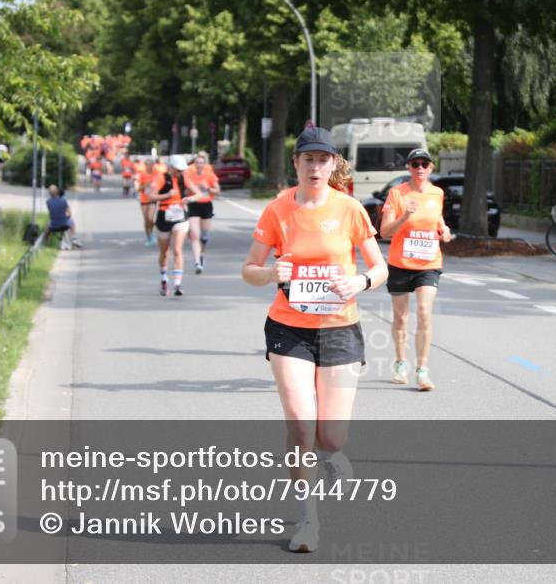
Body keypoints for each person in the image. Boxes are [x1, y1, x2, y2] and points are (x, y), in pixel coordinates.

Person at [241, 127, 387, 553]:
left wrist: (359, 280)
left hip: (340, 329)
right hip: (288, 329)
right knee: (301, 426)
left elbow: (380, 268)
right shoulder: (277, 210)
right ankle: (308, 521)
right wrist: (270, 274)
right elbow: (249, 268)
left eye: (324, 160)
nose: (315, 166)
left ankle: (333, 456)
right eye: (308, 159)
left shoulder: (350, 209)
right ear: (297, 163)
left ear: (333, 165)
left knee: (330, 437)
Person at [379, 148, 452, 391]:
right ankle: (401, 362)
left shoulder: (437, 193)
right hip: (400, 263)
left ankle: (422, 370)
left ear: (431, 168)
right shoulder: (397, 194)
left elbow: (437, 218)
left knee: (423, 312)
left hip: (428, 264)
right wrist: (404, 216)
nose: (419, 168)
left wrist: (445, 230)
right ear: (408, 168)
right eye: (414, 164)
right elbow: (384, 232)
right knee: (401, 317)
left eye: (424, 164)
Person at [150, 155, 192, 296]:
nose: (181, 173)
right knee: (164, 252)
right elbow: (151, 196)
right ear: (172, 168)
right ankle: (163, 278)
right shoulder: (161, 178)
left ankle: (177, 284)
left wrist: (189, 198)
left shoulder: (183, 178)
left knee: (178, 249)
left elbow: (198, 192)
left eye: (182, 170)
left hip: (179, 215)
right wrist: (167, 195)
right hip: (164, 215)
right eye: (179, 170)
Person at [183, 152, 221, 274]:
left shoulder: (210, 175)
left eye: (201, 163)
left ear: (204, 164)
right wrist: (190, 190)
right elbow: (185, 188)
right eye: (197, 163)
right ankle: (197, 262)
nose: (199, 165)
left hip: (206, 205)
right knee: (194, 234)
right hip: (193, 205)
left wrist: (208, 188)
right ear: (194, 164)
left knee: (204, 236)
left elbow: (218, 191)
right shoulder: (189, 174)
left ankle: (201, 254)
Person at [137, 158, 157, 245]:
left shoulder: (156, 174)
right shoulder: (142, 174)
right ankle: (148, 237)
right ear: (145, 166)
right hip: (144, 199)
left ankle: (152, 232)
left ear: (153, 165)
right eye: (147, 165)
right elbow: (138, 188)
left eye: (151, 165)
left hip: (152, 199)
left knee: (150, 218)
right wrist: (146, 185)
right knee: (146, 220)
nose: (149, 167)